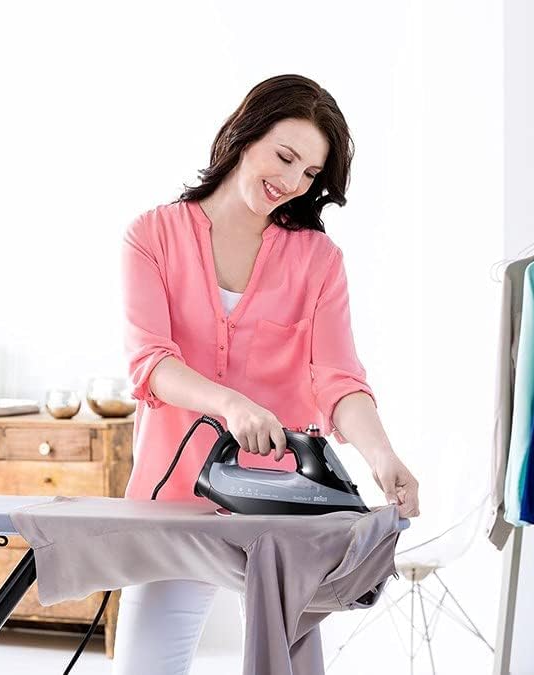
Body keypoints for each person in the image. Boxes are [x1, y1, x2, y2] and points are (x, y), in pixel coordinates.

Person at [114, 73, 420, 674]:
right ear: (244, 133)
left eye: (309, 173)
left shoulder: (317, 261)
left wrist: (382, 457)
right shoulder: (152, 236)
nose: (293, 182)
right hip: (173, 501)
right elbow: (151, 362)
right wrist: (231, 404)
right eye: (285, 157)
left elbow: (338, 379)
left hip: (282, 510)